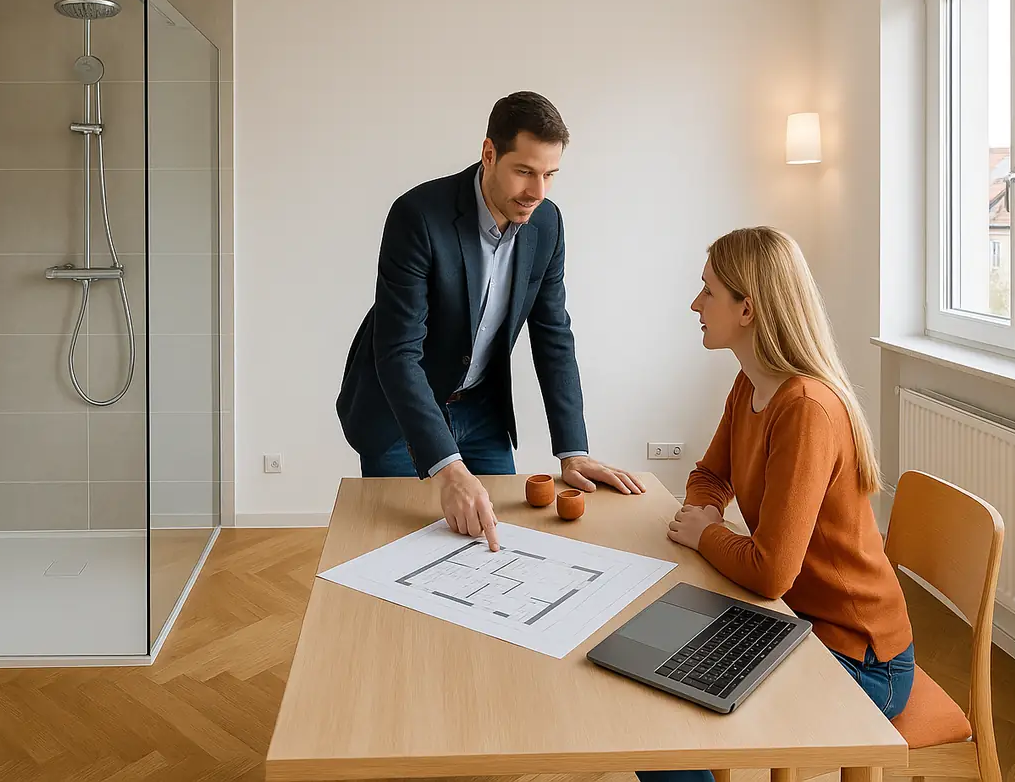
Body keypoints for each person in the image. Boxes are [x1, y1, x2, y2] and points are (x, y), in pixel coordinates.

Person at [641, 227, 915, 782]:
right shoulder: (750, 385)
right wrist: (709, 515)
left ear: (748, 308)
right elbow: (708, 475)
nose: (695, 304)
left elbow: (770, 572)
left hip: (857, 657)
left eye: (708, 292)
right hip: (788, 620)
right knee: (648, 669)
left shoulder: (807, 408)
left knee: (660, 731)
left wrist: (703, 534)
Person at [337, 91, 642, 552]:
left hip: (481, 410)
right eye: (524, 172)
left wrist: (572, 449)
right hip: (401, 415)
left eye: (549, 175)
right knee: (398, 555)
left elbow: (553, 333)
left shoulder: (547, 225)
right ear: (489, 154)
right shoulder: (418, 216)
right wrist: (447, 467)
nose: (537, 192)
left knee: (494, 548)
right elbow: (398, 351)